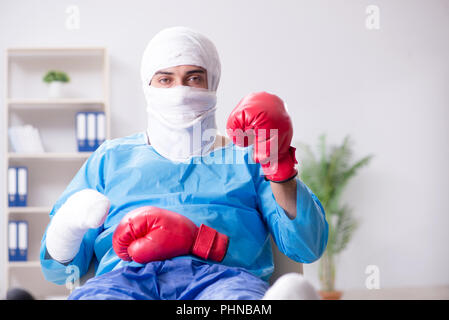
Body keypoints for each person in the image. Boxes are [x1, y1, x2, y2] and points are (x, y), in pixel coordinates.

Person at [39, 26, 328, 300]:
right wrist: (66, 227)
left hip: (223, 279)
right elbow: (60, 270)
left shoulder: (247, 158)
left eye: (193, 78)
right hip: (124, 280)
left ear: (211, 83)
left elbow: (306, 246)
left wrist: (278, 165)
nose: (180, 91)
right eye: (165, 79)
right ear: (148, 86)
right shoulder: (110, 159)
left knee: (237, 299)